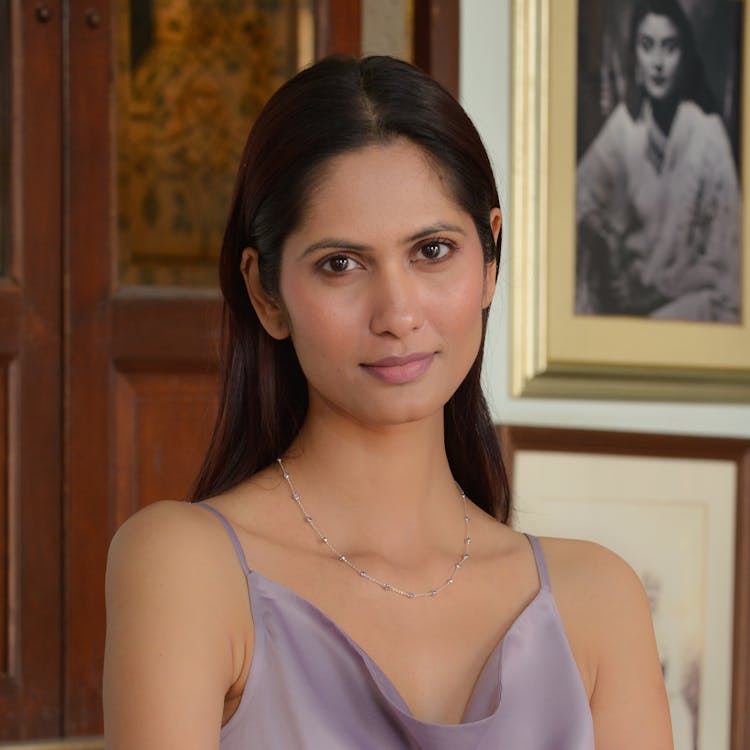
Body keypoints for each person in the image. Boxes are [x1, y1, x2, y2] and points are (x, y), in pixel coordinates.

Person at [103, 55, 673, 748]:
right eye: (340, 264)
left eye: (433, 251)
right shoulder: (188, 566)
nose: (398, 313)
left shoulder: (599, 598)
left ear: (490, 260)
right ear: (265, 293)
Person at [576, 0, 740, 321]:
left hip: (692, 301)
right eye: (647, 46)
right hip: (629, 300)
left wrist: (654, 292)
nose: (658, 63)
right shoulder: (625, 127)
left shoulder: (708, 135)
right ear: (635, 54)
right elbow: (576, 204)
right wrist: (606, 247)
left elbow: (726, 265)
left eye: (670, 47)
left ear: (685, 56)